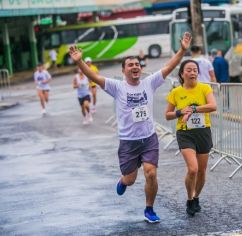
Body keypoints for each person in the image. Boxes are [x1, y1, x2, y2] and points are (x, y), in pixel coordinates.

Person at [69, 32, 192, 223]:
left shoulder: (149, 83)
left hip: (149, 138)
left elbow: (169, 67)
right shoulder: (116, 86)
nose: (135, 67)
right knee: (130, 180)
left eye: (137, 64)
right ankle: (123, 180)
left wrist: (183, 50)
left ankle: (149, 209)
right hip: (128, 142)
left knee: (151, 173)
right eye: (130, 65)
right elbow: (94, 76)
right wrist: (79, 62)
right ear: (124, 70)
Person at [165, 59, 217, 216]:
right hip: (185, 132)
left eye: (195, 69)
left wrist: (193, 109)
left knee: (201, 171)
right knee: (193, 169)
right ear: (182, 73)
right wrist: (180, 112)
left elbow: (213, 106)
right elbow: (167, 115)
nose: (193, 72)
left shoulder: (205, 88)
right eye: (189, 70)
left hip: (203, 131)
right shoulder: (176, 92)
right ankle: (189, 199)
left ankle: (196, 197)